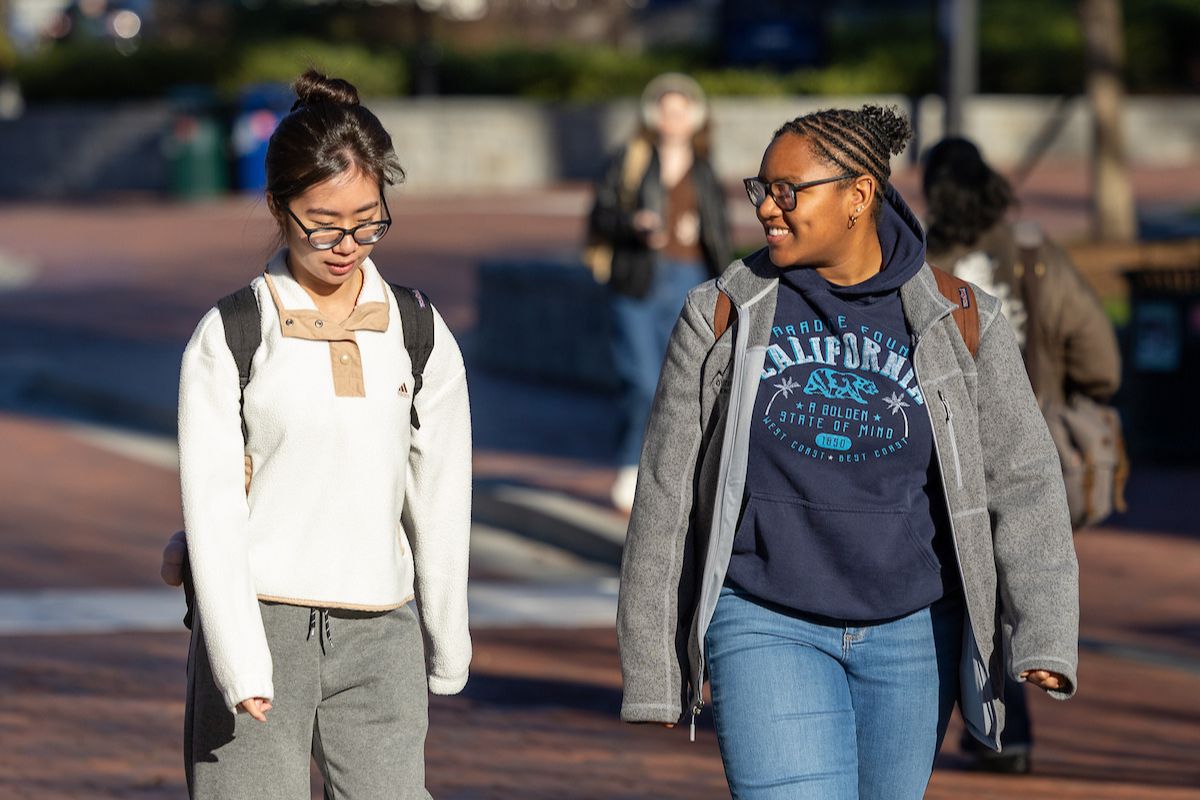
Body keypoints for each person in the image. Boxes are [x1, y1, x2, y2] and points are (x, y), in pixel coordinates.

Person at [616, 105, 1079, 799]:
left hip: (914, 630)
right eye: (762, 189)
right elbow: (666, 494)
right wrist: (653, 665)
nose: (767, 208)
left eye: (788, 191)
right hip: (763, 617)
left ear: (858, 196)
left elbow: (1023, 479)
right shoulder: (723, 313)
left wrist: (1043, 628)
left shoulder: (962, 319)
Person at [171, 70, 472, 799]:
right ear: (278, 207)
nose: (347, 244)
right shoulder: (234, 334)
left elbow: (439, 490)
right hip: (260, 623)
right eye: (323, 223)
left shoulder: (418, 328)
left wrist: (446, 635)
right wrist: (239, 659)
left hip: (382, 632)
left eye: (368, 221)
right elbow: (212, 507)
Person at [923, 136, 1121, 774]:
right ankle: (1004, 727)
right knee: (1020, 576)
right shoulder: (1036, 254)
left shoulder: (916, 266)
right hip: (1032, 442)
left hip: (942, 454)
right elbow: (1102, 359)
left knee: (964, 587)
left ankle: (994, 726)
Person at [585, 72, 731, 513]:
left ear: (695, 117)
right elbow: (598, 217)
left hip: (690, 280)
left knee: (683, 382)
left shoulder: (704, 170)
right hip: (638, 279)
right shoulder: (629, 160)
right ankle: (630, 466)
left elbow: (718, 234)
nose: (673, 118)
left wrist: (728, 283)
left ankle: (674, 475)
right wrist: (634, 224)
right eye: (665, 109)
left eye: (681, 109)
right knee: (642, 380)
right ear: (653, 115)